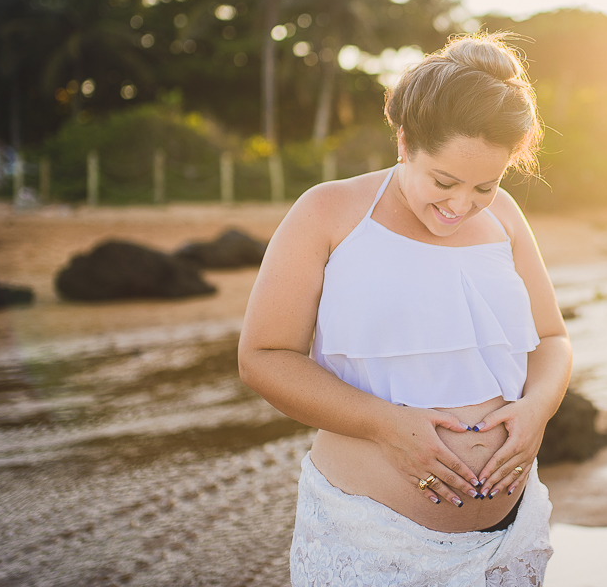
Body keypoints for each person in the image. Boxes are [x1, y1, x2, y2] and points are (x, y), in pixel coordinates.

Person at [238, 33, 571, 586]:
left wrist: (536, 410)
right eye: (443, 181)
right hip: (371, 545)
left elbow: (553, 339)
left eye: (484, 185)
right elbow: (263, 358)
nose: (460, 205)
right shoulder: (327, 212)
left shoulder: (506, 217)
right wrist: (385, 425)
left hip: (511, 542)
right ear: (403, 142)